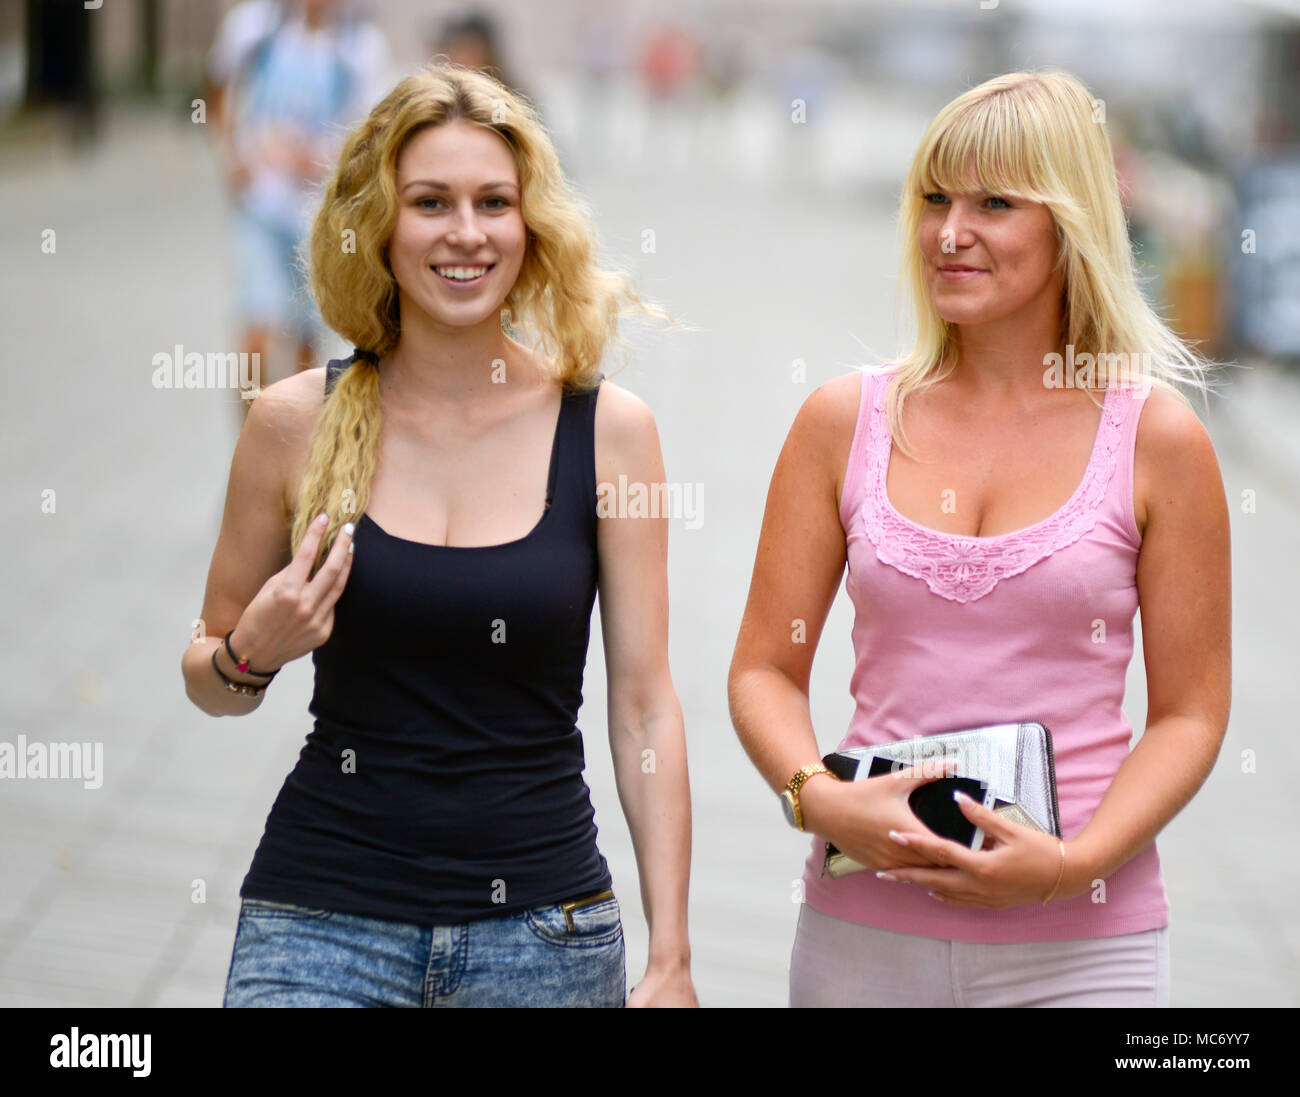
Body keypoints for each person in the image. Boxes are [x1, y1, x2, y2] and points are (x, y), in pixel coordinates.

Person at [182, 62, 697, 1008]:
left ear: (530, 223)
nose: (466, 233)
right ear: (379, 224)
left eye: (493, 201)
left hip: (545, 931)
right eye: (431, 202)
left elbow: (644, 706)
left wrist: (671, 956)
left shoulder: (610, 431)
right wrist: (254, 649)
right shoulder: (295, 421)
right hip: (320, 918)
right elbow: (209, 676)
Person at [728, 71, 1230, 1008]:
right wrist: (816, 793)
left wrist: (1071, 862)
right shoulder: (842, 421)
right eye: (934, 199)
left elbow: (1191, 715)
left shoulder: (1158, 441)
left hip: (1086, 950)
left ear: (1070, 222)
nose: (950, 233)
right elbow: (762, 669)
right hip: (862, 939)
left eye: (995, 203)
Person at [204, 0, 389, 402]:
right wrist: (231, 157)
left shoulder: (360, 46)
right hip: (260, 206)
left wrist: (328, 161)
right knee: (257, 329)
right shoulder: (253, 28)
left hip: (316, 214)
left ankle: (296, 446)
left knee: (305, 338)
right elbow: (216, 89)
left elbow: (370, 129)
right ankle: (251, 439)